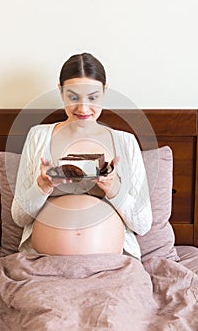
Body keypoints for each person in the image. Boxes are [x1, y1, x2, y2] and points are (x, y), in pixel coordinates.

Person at [11, 53, 152, 259]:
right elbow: (19, 217)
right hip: (43, 263)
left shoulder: (126, 142)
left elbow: (143, 225)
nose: (83, 108)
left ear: (104, 91)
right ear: (61, 91)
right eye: (73, 97)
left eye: (93, 97)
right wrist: (42, 187)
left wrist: (114, 190)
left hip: (111, 264)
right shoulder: (38, 136)